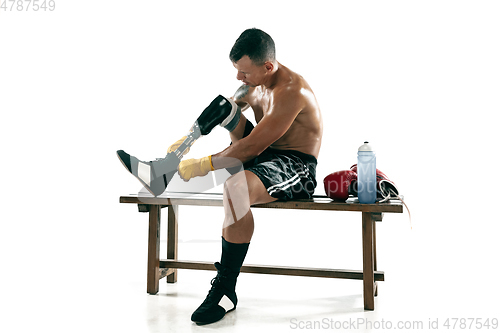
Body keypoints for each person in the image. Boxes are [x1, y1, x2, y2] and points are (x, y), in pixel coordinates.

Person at [118, 28, 323, 325]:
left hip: (294, 166)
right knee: (223, 105)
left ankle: (225, 291)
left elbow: (252, 146)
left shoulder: (291, 92)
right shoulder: (253, 85)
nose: (239, 78)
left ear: (267, 66)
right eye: (236, 70)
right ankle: (163, 168)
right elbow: (222, 111)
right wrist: (182, 148)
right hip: (264, 156)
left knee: (235, 186)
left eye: (244, 72)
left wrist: (194, 167)